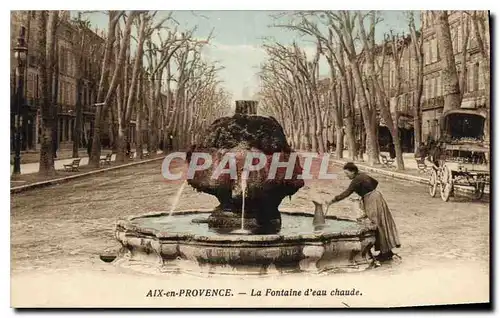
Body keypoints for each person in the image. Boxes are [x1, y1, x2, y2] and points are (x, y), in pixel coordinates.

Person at [325, 162, 401, 261]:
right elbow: (375, 182)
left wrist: (332, 201)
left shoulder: (356, 180)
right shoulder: (362, 175)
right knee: (382, 224)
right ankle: (387, 251)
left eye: (348, 174)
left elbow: (346, 193)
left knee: (376, 225)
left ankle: (385, 253)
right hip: (377, 197)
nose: (347, 176)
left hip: (372, 201)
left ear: (353, 171)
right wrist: (367, 191)